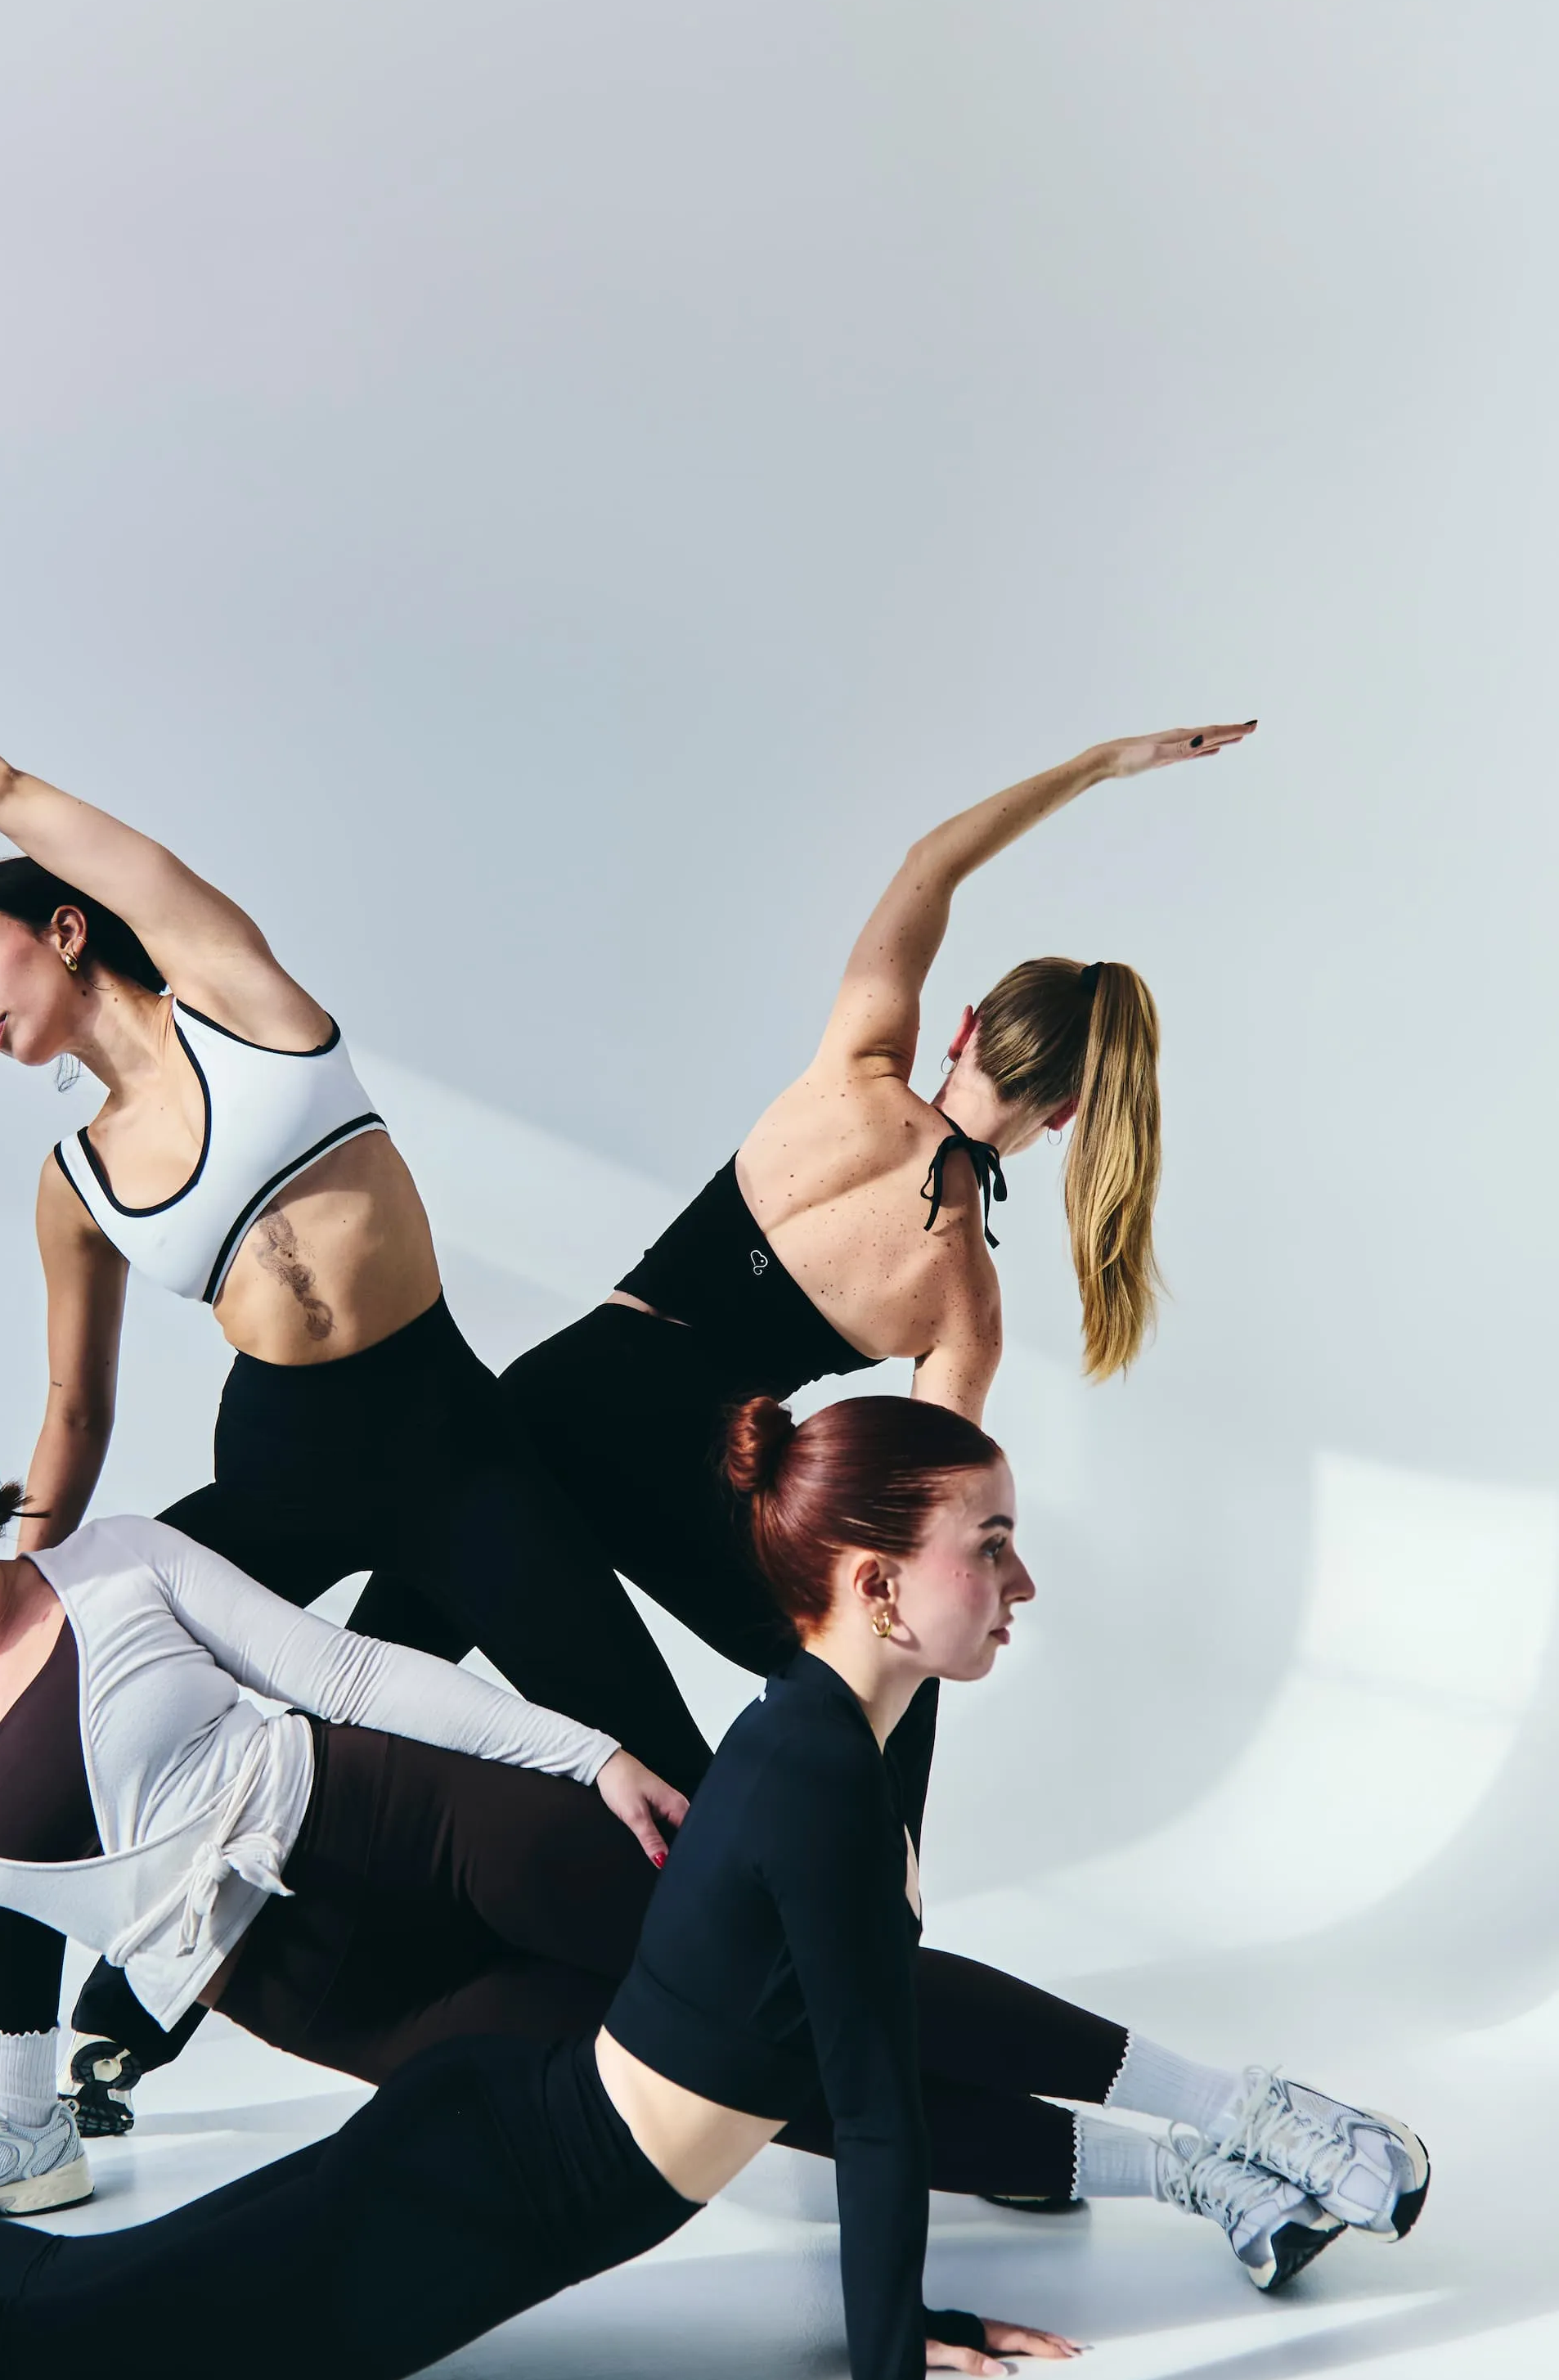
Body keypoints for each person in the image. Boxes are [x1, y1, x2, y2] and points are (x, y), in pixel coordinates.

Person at [0, 1402, 1425, 2380]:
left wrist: (906, 2336)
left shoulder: (800, 1753)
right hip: (441, 2113)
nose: (1024, 1582)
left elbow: (850, 2081)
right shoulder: (808, 1773)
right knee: (39, 2342)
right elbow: (870, 2116)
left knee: (54, 2323)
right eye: (993, 1548)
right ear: (885, 1586)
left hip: (448, 1983)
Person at [0, 635, 715, 2090]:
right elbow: (75, 1402)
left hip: (447, 1439)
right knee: (33, 1700)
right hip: (281, 1459)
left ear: (70, 928)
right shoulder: (71, 1178)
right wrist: (6, 1569)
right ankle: (29, 2080)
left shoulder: (233, 996)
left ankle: (851, 2016)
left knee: (652, 1757)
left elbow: (7, 788)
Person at [355, 723, 1253, 1694]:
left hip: (563, 1389)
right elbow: (916, 1524)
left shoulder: (853, 1068)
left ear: (964, 1027)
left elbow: (932, 864)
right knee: (838, 1681)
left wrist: (1096, 765)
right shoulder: (965, 1302)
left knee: (363, 1675)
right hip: (693, 1482)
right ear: (1069, 1113)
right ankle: (855, 1845)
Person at [0, 1351, 685, 2223]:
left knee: (747, 1967)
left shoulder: (115, 1563)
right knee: (675, 2076)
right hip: (319, 1995)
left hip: (416, 1818)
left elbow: (348, 1675)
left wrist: (587, 1755)